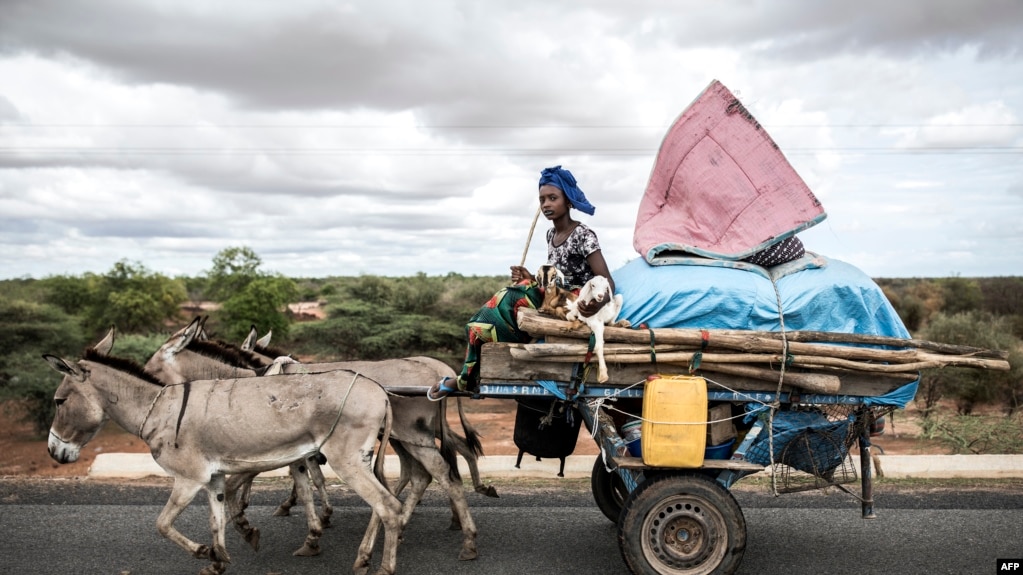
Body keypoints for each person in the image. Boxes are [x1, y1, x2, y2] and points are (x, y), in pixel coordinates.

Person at [428, 165, 615, 400]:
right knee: (507, 298)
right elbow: (554, 276)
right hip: (553, 295)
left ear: (568, 201)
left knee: (509, 298)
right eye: (542, 199)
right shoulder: (551, 235)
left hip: (576, 300)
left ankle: (466, 376)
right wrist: (530, 276)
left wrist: (596, 305)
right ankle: (477, 349)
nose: (546, 204)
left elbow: (606, 280)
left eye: (552, 198)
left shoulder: (583, 235)